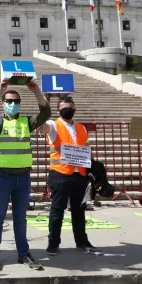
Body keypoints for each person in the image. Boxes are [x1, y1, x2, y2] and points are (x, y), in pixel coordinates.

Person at [0, 80, 50, 271]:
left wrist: (37, 90)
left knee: (20, 218)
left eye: (16, 101)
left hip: (23, 178)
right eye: (9, 100)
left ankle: (23, 253)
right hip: (2, 177)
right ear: (4, 103)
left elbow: (46, 113)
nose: (13, 103)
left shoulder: (26, 122)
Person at [38, 96, 101, 256]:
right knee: (57, 210)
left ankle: (81, 241)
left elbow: (86, 147)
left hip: (79, 174)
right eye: (64, 108)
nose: (67, 110)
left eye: (70, 107)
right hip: (60, 173)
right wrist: (43, 111)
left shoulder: (81, 127)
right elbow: (42, 127)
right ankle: (53, 243)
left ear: (74, 109)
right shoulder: (53, 124)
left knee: (79, 210)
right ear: (58, 111)